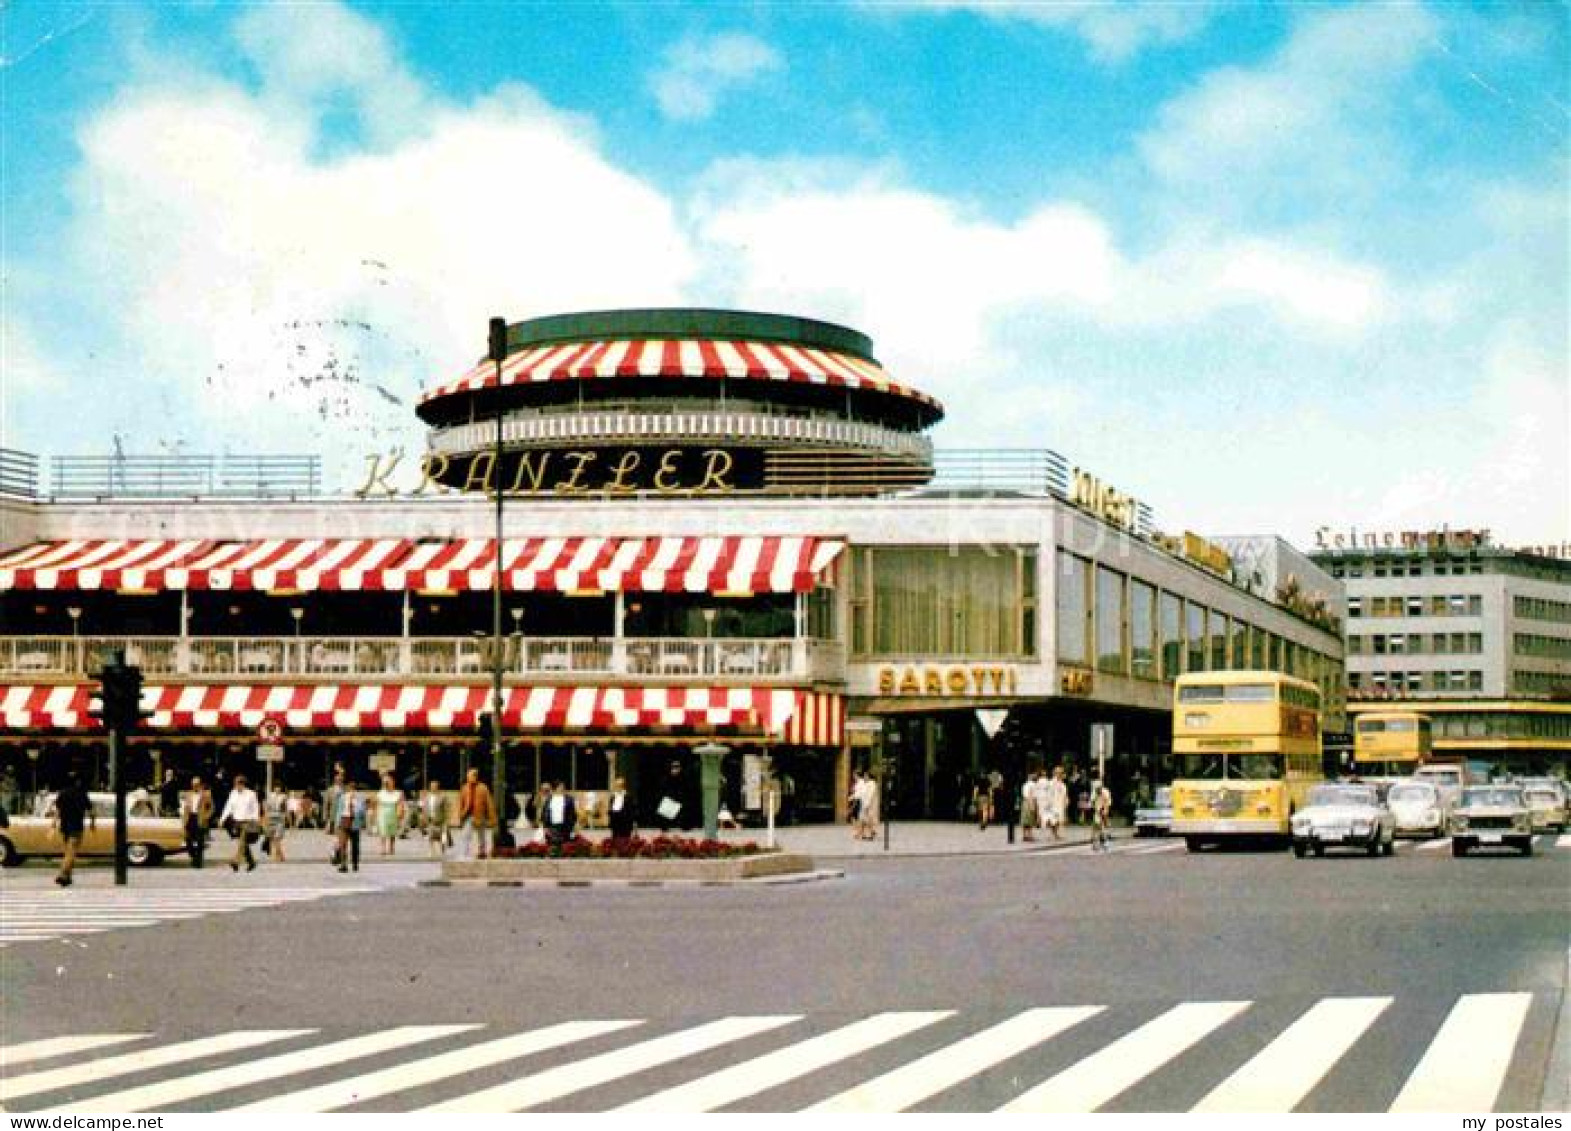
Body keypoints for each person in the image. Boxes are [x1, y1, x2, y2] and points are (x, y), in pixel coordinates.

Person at [51, 773, 93, 887]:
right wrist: (93, 823)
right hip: (76, 826)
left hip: (64, 826)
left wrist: (53, 825)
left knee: (68, 852)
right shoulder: (82, 794)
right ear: (77, 782)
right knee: (72, 852)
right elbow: (91, 810)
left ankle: (67, 877)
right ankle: (62, 874)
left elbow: (57, 811)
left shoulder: (62, 793)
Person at [217, 773, 261, 872]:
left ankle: (236, 861)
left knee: (242, 842)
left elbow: (256, 807)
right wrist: (222, 819)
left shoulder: (251, 794)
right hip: (236, 822)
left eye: (239, 784)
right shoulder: (233, 793)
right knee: (242, 844)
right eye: (236, 784)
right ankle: (251, 862)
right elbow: (228, 807)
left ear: (243, 784)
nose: (237, 786)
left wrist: (256, 819)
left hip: (248, 822)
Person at [457, 768, 496, 860]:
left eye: (470, 776)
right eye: (468, 776)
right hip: (468, 816)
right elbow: (460, 802)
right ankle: (464, 853)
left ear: (475, 777)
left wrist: (492, 818)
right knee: (466, 835)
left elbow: (489, 803)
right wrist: (460, 815)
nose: (468, 778)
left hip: (480, 815)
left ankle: (482, 852)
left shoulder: (483, 788)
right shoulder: (465, 788)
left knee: (481, 835)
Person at [332, 779, 367, 872]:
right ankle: (344, 865)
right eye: (350, 787)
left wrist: (363, 821)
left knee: (355, 845)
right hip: (344, 820)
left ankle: (355, 863)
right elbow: (339, 811)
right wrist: (337, 824)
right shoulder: (343, 797)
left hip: (355, 822)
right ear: (347, 788)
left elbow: (362, 811)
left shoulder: (360, 798)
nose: (351, 790)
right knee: (343, 844)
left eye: (353, 788)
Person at [181, 776, 214, 868]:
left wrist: (206, 817)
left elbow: (211, 808)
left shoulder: (206, 794)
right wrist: (183, 818)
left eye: (197, 784)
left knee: (200, 841)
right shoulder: (188, 794)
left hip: (200, 819)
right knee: (188, 840)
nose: (195, 786)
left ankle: (198, 863)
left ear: (200, 785)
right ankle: (193, 856)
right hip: (190, 818)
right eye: (193, 785)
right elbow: (184, 807)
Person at [374, 773, 404, 856]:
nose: (388, 783)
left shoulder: (398, 793)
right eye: (386, 782)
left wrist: (400, 813)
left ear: (393, 782)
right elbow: (377, 804)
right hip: (383, 813)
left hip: (393, 812)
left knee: (392, 831)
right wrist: (376, 815)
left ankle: (391, 847)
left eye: (389, 781)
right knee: (383, 831)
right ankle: (383, 848)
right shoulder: (381, 793)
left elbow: (400, 804)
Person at [543, 781, 578, 847]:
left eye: (563, 787)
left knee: (565, 846)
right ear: (555, 788)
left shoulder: (569, 799)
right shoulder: (549, 799)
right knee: (553, 846)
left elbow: (573, 813)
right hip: (552, 827)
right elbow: (545, 814)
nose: (562, 788)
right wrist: (545, 827)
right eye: (560, 787)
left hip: (566, 827)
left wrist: (574, 825)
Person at [420, 780, 449, 859]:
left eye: (435, 786)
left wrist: (446, 819)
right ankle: (431, 851)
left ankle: (443, 851)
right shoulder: (426, 797)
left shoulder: (443, 796)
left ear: (438, 787)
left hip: (441, 820)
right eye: (432, 786)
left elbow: (446, 809)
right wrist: (423, 817)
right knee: (431, 836)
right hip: (430, 819)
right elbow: (423, 808)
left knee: (443, 837)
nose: (433, 788)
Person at [263, 781, 289, 862]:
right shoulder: (270, 796)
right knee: (272, 838)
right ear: (274, 788)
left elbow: (285, 808)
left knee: (277, 838)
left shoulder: (283, 797)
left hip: (279, 818)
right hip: (271, 817)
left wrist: (288, 819)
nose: (278, 789)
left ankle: (279, 856)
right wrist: (265, 818)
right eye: (276, 787)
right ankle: (280, 856)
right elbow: (266, 807)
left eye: (279, 787)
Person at [1043, 766, 1069, 841]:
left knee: (1058, 820)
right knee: (1053, 820)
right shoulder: (1051, 783)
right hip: (1052, 804)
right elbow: (1048, 793)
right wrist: (1047, 803)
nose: (1060, 774)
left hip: (1060, 804)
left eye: (1061, 773)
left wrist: (1066, 801)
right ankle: (1053, 834)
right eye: (1058, 773)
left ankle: (1055, 834)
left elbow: (1065, 794)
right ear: (1054, 773)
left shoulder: (1063, 784)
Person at [856, 770, 880, 841]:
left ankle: (870, 834)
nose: (864, 777)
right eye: (864, 776)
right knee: (862, 819)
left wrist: (867, 805)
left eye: (866, 776)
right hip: (865, 804)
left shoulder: (872, 783)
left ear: (869, 776)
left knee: (869, 819)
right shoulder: (866, 784)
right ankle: (864, 833)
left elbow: (870, 795)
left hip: (870, 805)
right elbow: (862, 793)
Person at [1091, 779, 1115, 853]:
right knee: (1097, 825)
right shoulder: (1094, 793)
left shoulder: (1106, 792)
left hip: (1104, 807)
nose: (1098, 790)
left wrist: (1105, 811)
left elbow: (1107, 803)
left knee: (1104, 824)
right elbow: (1093, 803)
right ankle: (1096, 842)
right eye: (1096, 789)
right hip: (1097, 809)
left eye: (1099, 789)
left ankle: (1105, 840)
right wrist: (1097, 810)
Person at [1020, 771, 1041, 842]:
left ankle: (1025, 835)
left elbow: (1026, 795)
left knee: (1025, 820)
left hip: (1025, 802)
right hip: (1030, 802)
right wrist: (1032, 805)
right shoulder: (1032, 785)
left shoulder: (1025, 784)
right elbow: (1030, 795)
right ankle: (1029, 835)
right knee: (1030, 820)